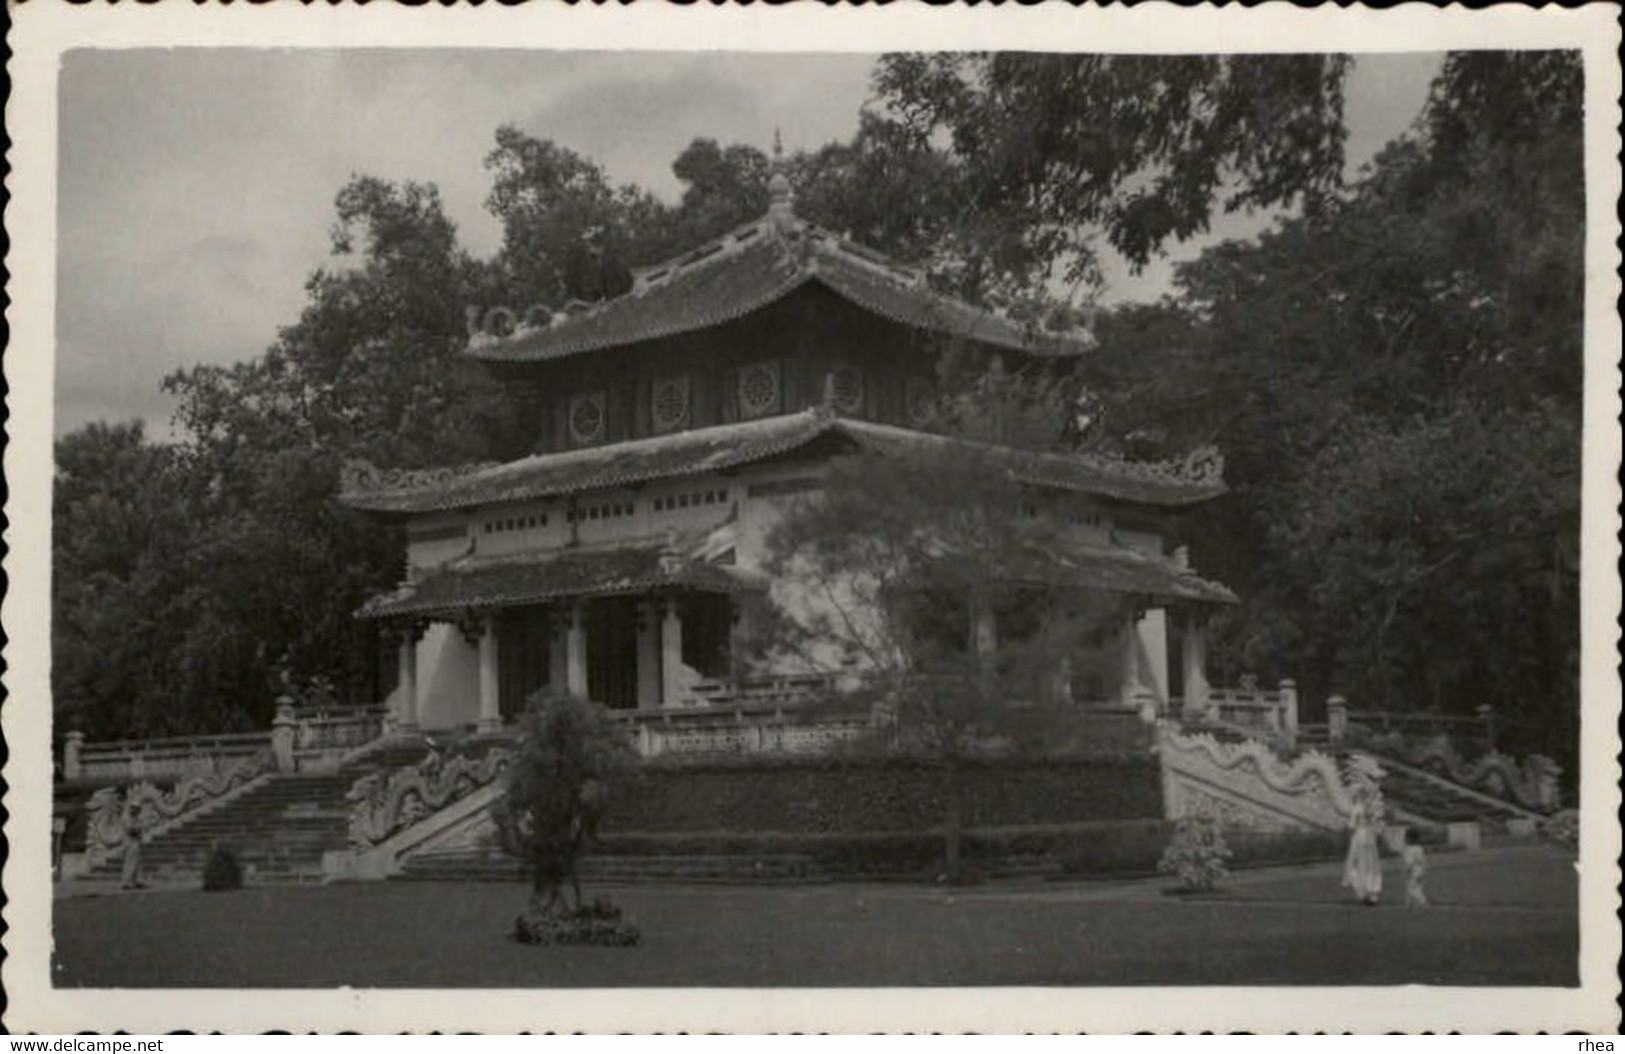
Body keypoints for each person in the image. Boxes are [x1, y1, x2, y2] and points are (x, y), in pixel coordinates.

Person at [1341, 755, 1385, 905]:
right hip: (1369, 837)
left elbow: (1351, 826)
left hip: (1359, 837)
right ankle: (1372, 892)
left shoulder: (1357, 808)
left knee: (1357, 865)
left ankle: (1363, 891)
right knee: (1370, 864)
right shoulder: (1367, 806)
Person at [120, 801, 147, 890]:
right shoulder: (127, 819)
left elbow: (140, 830)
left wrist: (139, 832)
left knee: (138, 863)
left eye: (137, 809)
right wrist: (137, 831)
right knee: (130, 862)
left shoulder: (137, 819)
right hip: (129, 842)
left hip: (136, 842)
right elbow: (131, 831)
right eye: (134, 808)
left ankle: (138, 881)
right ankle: (127, 882)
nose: (136, 810)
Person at [1401, 829, 1429, 908]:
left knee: (1412, 887)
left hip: (1414, 870)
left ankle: (1423, 901)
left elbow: (1409, 862)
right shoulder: (1419, 848)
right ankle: (1411, 902)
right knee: (1418, 886)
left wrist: (1405, 870)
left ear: (1408, 839)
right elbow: (1423, 860)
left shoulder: (1409, 850)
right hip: (1421, 870)